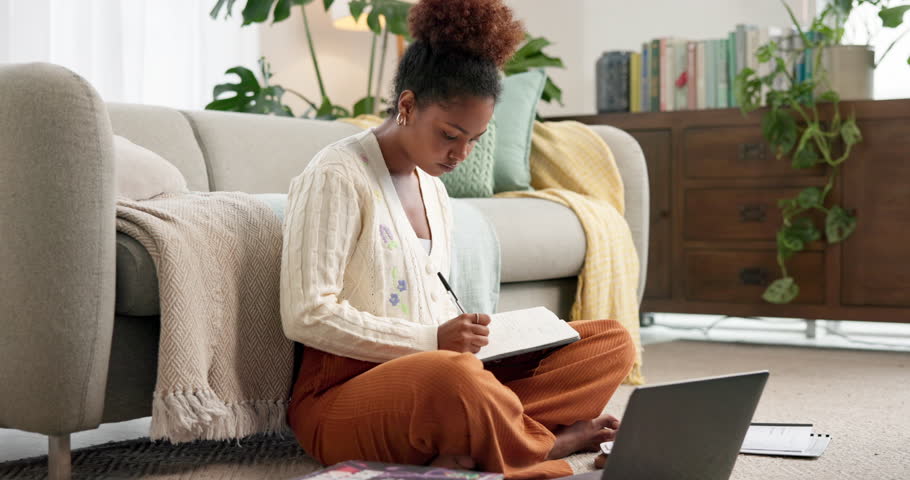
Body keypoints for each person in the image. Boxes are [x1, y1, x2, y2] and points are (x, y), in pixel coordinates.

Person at [279, 0, 636, 478]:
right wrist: (431, 339)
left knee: (609, 342)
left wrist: (490, 338)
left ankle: (475, 440)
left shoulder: (433, 188)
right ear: (407, 106)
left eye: (474, 139)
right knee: (456, 377)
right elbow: (306, 314)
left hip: (435, 381)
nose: (461, 153)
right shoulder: (335, 176)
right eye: (450, 135)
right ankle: (542, 447)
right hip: (341, 400)